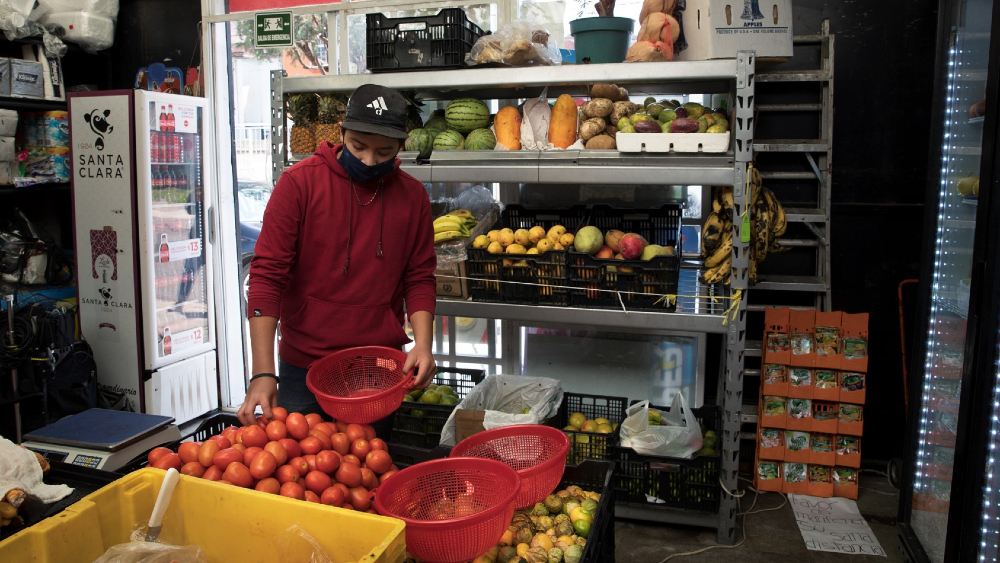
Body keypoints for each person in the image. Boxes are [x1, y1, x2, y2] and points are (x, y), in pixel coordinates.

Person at [238, 84, 437, 426]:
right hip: (304, 367)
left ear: (401, 145)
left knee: (371, 458)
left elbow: (419, 277)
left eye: (384, 151)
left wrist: (423, 344)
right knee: (299, 459)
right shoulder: (298, 184)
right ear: (342, 133)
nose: (369, 160)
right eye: (358, 146)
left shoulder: (413, 196)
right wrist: (262, 373)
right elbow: (267, 277)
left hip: (378, 367)